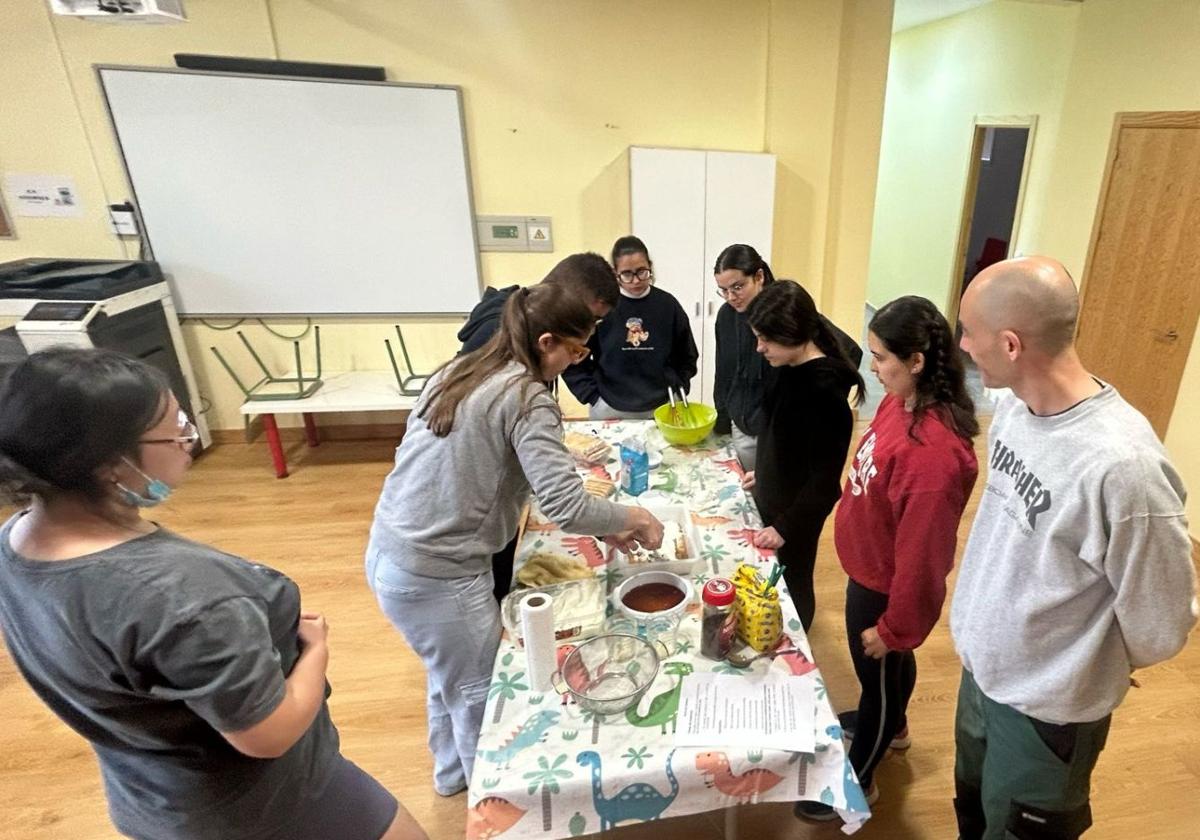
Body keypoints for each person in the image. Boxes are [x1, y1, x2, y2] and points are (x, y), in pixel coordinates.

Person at [0, 348, 426, 840]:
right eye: (175, 428)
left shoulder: (17, 542)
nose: (190, 439)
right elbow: (268, 734)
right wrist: (316, 649)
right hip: (258, 805)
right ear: (109, 464)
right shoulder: (185, 595)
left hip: (152, 797)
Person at [367, 282, 664, 798]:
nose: (580, 360)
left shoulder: (461, 368)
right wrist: (632, 514)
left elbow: (486, 463)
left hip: (390, 551)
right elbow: (566, 505)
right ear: (546, 341)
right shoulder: (526, 395)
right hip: (438, 571)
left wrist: (607, 521)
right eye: (576, 350)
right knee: (482, 697)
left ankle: (452, 779)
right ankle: (493, 806)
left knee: (449, 679)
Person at [951, 256, 1197, 839]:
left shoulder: (1124, 470)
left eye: (970, 332)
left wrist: (1091, 659)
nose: (963, 344)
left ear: (1010, 344)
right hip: (981, 675)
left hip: (1046, 711)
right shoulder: (1014, 407)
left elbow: (1162, 623)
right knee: (973, 813)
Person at [795, 295, 979, 822]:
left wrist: (896, 627)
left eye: (879, 357)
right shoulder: (900, 401)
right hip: (867, 571)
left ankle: (860, 781)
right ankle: (894, 727)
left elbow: (924, 560)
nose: (871, 367)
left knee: (875, 679)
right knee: (886, 676)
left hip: (883, 589)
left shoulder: (934, 456)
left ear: (916, 361)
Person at [458, 252, 620, 602]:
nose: (587, 339)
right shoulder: (501, 351)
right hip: (466, 533)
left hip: (480, 518)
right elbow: (567, 505)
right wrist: (626, 521)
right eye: (587, 323)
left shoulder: (521, 345)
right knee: (492, 602)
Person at [742, 280, 865, 631]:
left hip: (795, 516)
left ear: (793, 333)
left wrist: (785, 527)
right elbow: (782, 439)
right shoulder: (788, 369)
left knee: (793, 583)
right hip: (773, 497)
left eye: (766, 339)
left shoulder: (825, 394)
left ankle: (797, 636)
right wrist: (764, 473)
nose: (759, 348)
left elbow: (824, 484)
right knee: (770, 581)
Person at [712, 244, 863, 469]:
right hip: (741, 426)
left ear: (759, 276)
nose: (731, 297)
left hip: (778, 432)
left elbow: (849, 353)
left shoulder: (785, 310)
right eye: (723, 291)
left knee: (774, 494)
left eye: (737, 287)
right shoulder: (726, 316)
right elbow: (723, 370)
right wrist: (722, 417)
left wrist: (814, 409)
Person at [562, 235, 698, 420]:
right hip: (609, 407)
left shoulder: (668, 305)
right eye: (627, 274)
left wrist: (678, 387)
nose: (635, 281)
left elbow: (687, 354)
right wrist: (592, 396)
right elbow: (574, 357)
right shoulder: (600, 308)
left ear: (650, 266)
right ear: (614, 272)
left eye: (642, 271)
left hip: (664, 406)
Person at [457, 251, 618, 355]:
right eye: (591, 318)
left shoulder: (534, 328)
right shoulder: (500, 331)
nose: (589, 331)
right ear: (563, 295)